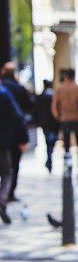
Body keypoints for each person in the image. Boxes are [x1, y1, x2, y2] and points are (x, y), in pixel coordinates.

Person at [2, 62, 34, 200]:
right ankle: (6, 196)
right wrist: (23, 138)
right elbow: (19, 114)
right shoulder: (9, 91)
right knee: (11, 167)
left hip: (8, 134)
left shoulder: (5, 88)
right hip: (9, 135)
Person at [50, 68, 78, 176]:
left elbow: (54, 106)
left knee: (66, 146)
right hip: (76, 119)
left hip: (65, 119)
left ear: (66, 76)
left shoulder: (59, 89)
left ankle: (67, 167)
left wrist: (58, 117)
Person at [0, 81, 28, 223]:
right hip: (3, 142)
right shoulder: (4, 93)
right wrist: (23, 137)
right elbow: (17, 116)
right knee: (6, 173)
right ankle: (2, 200)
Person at [35, 79, 59, 173]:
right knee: (51, 142)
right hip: (53, 123)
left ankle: (49, 160)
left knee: (48, 142)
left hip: (45, 123)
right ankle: (49, 160)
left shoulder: (41, 96)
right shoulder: (54, 95)